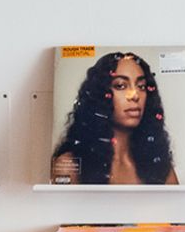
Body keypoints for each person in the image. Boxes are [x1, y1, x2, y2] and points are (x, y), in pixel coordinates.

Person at [52, 51, 177, 185]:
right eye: (120, 86)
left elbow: (179, 205)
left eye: (141, 86)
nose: (134, 95)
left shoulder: (158, 164)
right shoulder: (70, 164)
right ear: (99, 95)